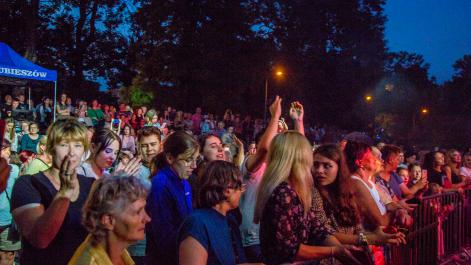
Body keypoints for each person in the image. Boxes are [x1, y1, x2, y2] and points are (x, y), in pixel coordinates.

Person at [254, 131, 360, 265]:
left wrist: (342, 250)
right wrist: (335, 251)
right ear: (300, 158)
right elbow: (289, 250)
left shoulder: (292, 189)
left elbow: (316, 228)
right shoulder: (283, 192)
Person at [10, 119, 94, 265]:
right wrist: (64, 193)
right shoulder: (28, 184)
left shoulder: (90, 185)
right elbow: (39, 239)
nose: (72, 152)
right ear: (51, 148)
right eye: (64, 145)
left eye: (78, 145)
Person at [313, 144, 406, 265]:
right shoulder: (313, 192)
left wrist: (377, 236)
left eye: (327, 166)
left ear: (339, 168)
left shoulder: (345, 189)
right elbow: (325, 233)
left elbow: (356, 226)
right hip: (329, 259)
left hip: (350, 253)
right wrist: (369, 238)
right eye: (316, 165)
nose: (319, 170)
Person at [68, 176, 151, 265]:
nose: (148, 219)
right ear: (108, 220)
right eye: (137, 212)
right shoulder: (88, 262)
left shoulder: (120, 254)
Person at [178, 161, 248, 265]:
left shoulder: (229, 221)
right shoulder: (197, 223)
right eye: (239, 187)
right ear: (227, 189)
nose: (242, 192)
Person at [146, 131, 200, 265]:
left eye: (196, 159)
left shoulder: (184, 180)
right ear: (170, 158)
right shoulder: (160, 184)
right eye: (188, 160)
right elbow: (164, 237)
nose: (194, 166)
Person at [0, 140, 21, 265]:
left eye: (8, 149)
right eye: (4, 149)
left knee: (7, 257)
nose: (8, 152)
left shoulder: (15, 169)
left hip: (8, 221)